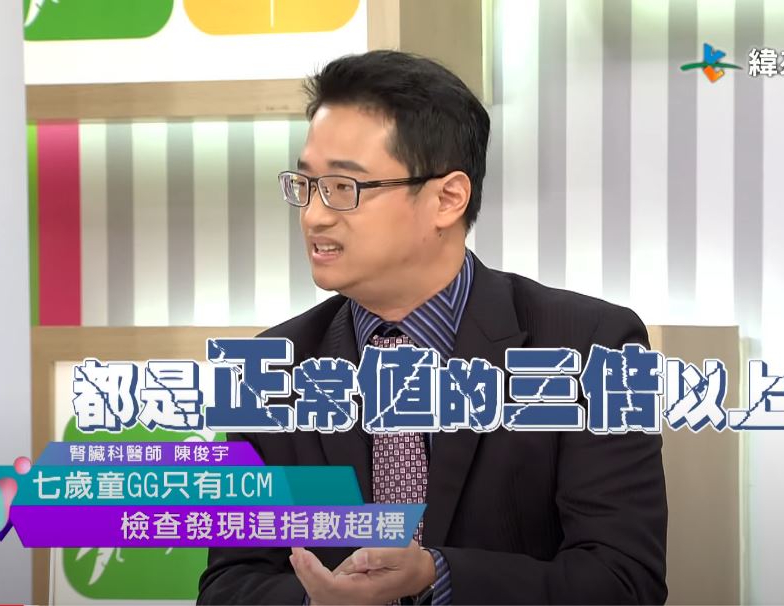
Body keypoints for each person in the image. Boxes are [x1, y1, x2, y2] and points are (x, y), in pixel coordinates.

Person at [198, 50, 667, 605]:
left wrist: (435, 577)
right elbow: (230, 584)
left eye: (344, 188)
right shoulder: (273, 368)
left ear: (447, 199)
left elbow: (623, 580)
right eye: (306, 184)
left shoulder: (589, 349)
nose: (314, 215)